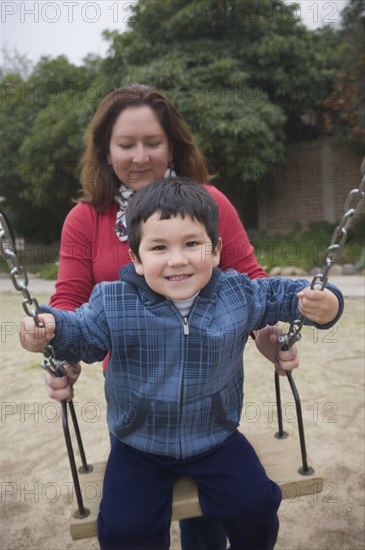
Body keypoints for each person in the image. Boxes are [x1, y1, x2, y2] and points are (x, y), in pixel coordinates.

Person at [34, 83, 301, 550]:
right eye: (126, 144)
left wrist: (268, 333)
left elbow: (250, 279)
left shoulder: (209, 204)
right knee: (133, 522)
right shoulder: (86, 219)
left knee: (206, 525)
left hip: (207, 393)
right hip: (140, 396)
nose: (140, 156)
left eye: (153, 143)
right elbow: (69, 301)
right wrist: (63, 356)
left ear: (173, 145)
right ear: (105, 150)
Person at [20, 178, 343, 550]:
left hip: (216, 437)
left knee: (257, 505)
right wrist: (50, 327)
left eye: (192, 243)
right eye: (159, 247)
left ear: (217, 249)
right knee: (125, 531)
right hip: (138, 444)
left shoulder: (237, 294)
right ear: (137, 259)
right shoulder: (113, 303)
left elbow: (289, 296)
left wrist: (327, 303)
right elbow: (79, 333)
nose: (177, 259)